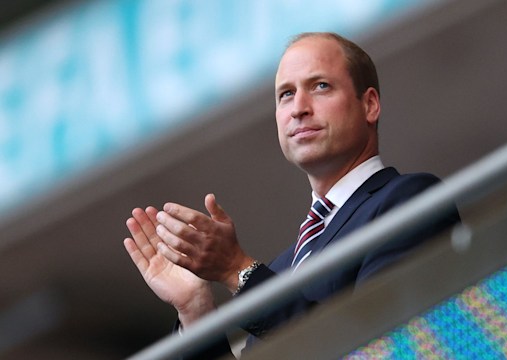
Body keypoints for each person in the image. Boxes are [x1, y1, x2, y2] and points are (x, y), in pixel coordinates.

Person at [123, 32, 460, 358]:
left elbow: (374, 343)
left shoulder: (408, 199)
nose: (299, 107)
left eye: (320, 86)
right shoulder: (280, 269)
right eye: (285, 94)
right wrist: (196, 311)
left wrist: (235, 269)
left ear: (369, 104)